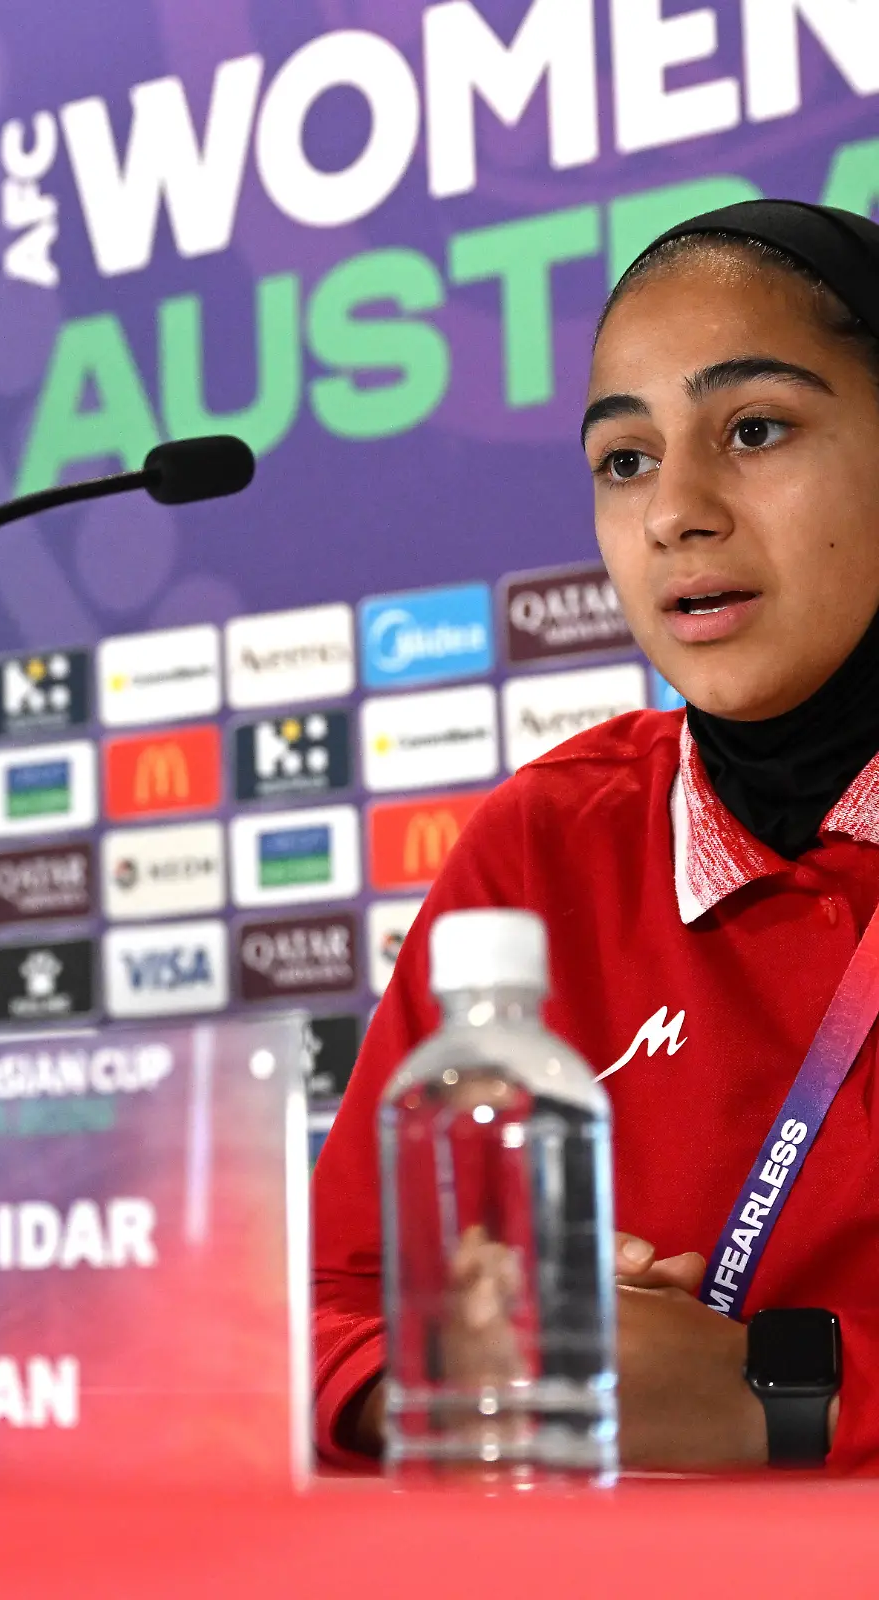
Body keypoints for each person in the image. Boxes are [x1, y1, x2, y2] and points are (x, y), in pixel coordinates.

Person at [314, 200, 879, 1474]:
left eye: (755, 429)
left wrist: (778, 1396)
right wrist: (487, 1360)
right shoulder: (547, 839)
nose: (676, 509)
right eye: (624, 459)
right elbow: (325, 1301)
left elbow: (769, 1396)